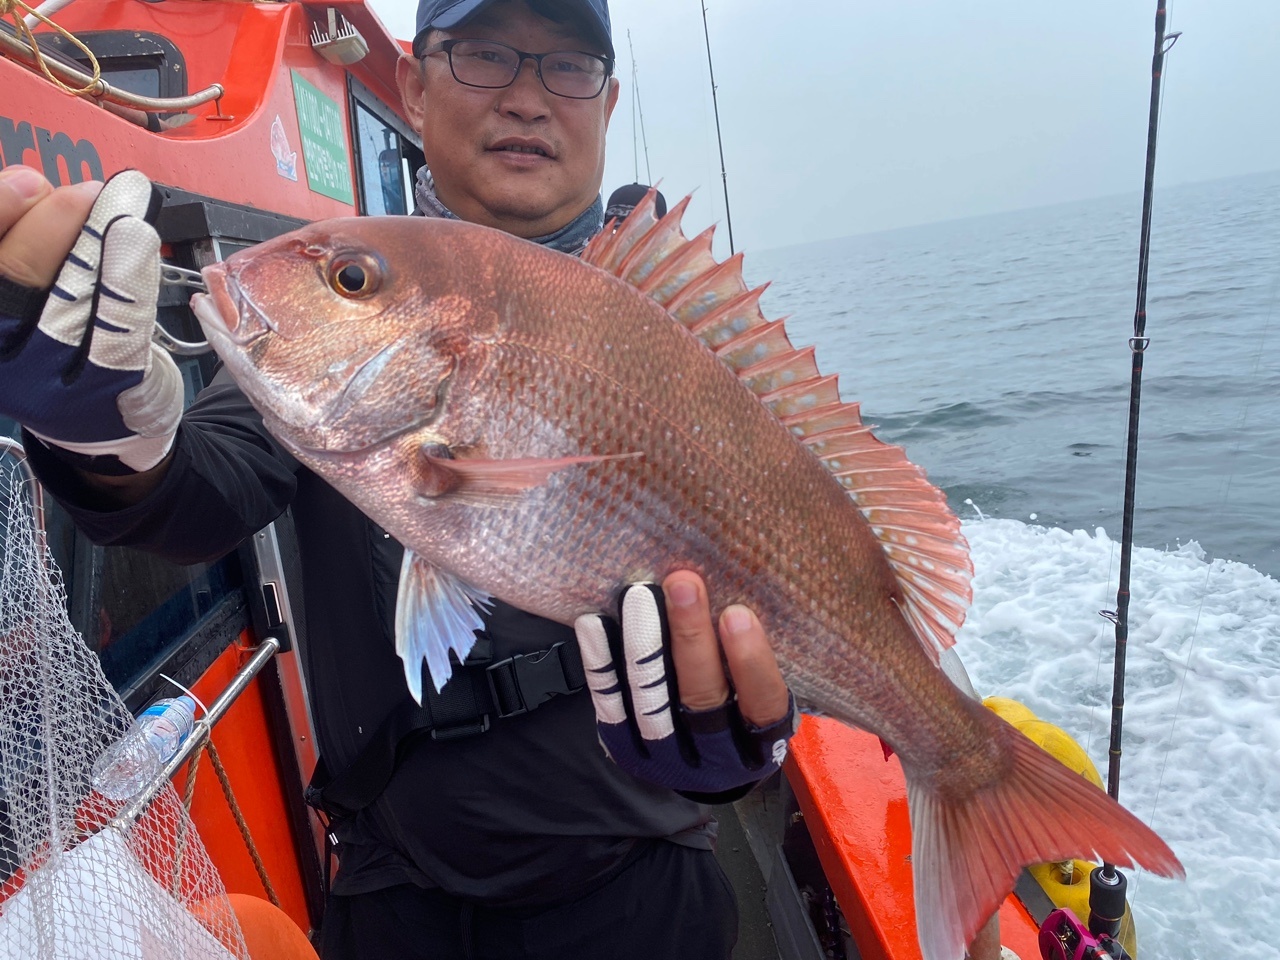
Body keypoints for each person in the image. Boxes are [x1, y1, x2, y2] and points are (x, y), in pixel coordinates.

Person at [0, 1, 796, 957]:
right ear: (414, 88)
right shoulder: (347, 322)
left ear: (607, 100)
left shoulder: (685, 338)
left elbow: (799, 564)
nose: (527, 98)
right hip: (393, 893)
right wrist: (101, 440)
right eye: (485, 55)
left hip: (639, 886)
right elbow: (198, 491)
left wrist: (743, 747)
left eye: (568, 64)